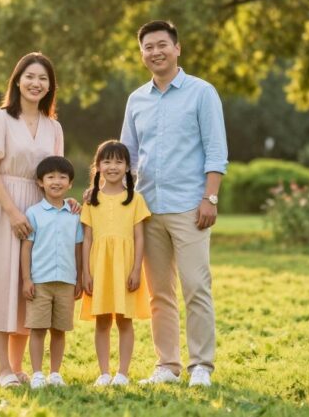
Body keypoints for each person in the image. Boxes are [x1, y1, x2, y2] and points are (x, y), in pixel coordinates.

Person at [121, 20, 228, 388]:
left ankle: (202, 365)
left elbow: (216, 150)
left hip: (189, 208)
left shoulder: (201, 93)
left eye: (162, 44)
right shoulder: (136, 100)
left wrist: (209, 197)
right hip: (148, 210)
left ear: (177, 48)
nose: (155, 52)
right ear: (142, 54)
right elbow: (128, 157)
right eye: (148, 47)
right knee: (159, 293)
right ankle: (167, 364)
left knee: (196, 285)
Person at [0, 52, 65, 388]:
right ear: (17, 80)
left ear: (50, 86)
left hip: (40, 214)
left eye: (43, 79)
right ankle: (3, 368)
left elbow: (56, 175)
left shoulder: (54, 127)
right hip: (3, 206)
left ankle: (20, 367)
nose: (36, 84)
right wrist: (13, 212)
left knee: (28, 287)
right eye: (30, 77)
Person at [80, 140, 151, 387]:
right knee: (102, 320)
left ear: (128, 167)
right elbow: (87, 238)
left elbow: (139, 237)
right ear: (98, 166)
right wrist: (86, 273)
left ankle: (122, 372)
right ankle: (104, 372)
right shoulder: (92, 200)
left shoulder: (135, 199)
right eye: (107, 161)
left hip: (126, 266)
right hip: (99, 267)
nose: (113, 166)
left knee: (124, 319)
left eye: (119, 161)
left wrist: (136, 269)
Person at [20, 156, 83, 389]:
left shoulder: (75, 214)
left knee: (59, 329)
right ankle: (37, 373)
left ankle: (55, 373)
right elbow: (26, 247)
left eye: (62, 177)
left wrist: (79, 277)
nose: (56, 181)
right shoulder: (34, 213)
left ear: (70, 184)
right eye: (51, 177)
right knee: (37, 329)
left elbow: (78, 247)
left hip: (66, 280)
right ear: (40, 182)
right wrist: (26, 279)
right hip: (40, 282)